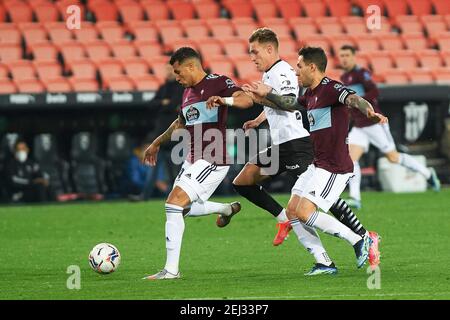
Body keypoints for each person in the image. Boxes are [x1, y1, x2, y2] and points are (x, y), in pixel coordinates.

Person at [220, 28, 378, 274]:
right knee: (285, 202)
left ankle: (361, 237)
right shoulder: (309, 93)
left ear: (270, 49)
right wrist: (262, 113)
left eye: (255, 51)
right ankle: (323, 259)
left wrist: (367, 110)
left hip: (299, 146)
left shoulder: (292, 75)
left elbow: (346, 98)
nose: (252, 56)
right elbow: (290, 103)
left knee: (314, 205)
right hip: (289, 147)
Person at [142, 47, 253, 280]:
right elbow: (180, 123)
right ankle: (225, 208)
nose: (177, 77)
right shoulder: (187, 93)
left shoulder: (218, 82)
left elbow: (247, 99)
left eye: (179, 72)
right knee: (179, 209)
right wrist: (157, 142)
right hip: (192, 159)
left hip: (214, 158)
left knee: (173, 203)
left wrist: (224, 100)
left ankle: (171, 271)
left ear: (192, 66)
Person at [338, 45, 441, 209]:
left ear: (353, 56)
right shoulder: (344, 77)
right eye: (341, 55)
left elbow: (375, 92)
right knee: (350, 160)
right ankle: (355, 197)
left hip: (373, 123)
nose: (343, 58)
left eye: (346, 55)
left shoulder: (361, 74)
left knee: (393, 157)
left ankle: (428, 173)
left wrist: (360, 101)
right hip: (359, 126)